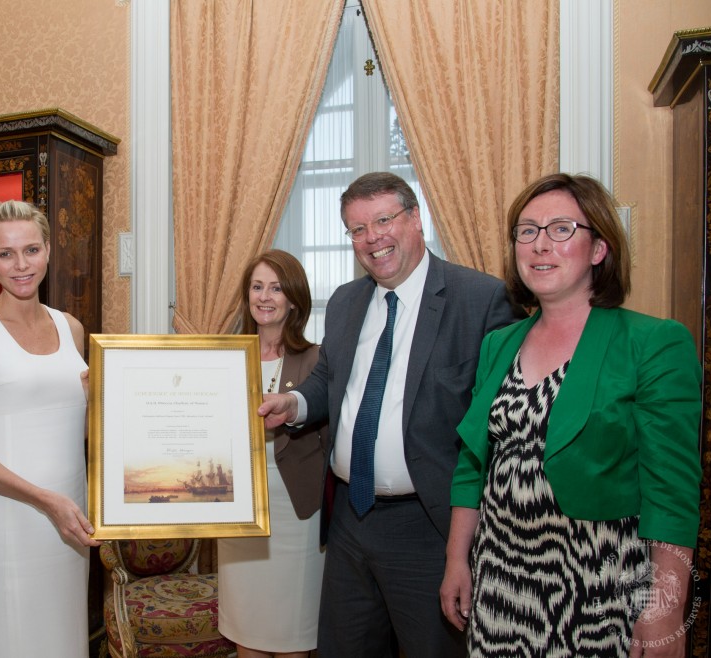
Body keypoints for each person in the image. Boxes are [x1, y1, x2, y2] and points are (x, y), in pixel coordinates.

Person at [258, 172, 521, 657]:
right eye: (357, 229)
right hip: (349, 523)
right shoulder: (344, 301)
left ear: (415, 218)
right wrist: (293, 404)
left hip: (430, 526)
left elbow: (500, 429)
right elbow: (329, 381)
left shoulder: (480, 300)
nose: (372, 238)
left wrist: (466, 547)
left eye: (383, 220)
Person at [441, 173, 701, 657]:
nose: (540, 245)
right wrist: (458, 558)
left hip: (602, 588)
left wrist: (665, 608)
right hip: (502, 585)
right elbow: (474, 464)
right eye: (528, 230)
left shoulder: (652, 343)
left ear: (599, 248)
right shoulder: (500, 343)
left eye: (561, 229)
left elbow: (673, 494)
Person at [0, 199, 99, 657]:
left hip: (71, 518)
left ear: (48, 250)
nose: (21, 264)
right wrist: (46, 501)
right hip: (10, 520)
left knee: (66, 642)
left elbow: (80, 431)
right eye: (5, 254)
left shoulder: (71, 328)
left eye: (31, 249)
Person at [218, 250, 328, 658]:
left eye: (276, 288)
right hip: (238, 515)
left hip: (295, 515)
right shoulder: (223, 355)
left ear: (294, 298)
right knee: (248, 630)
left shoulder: (318, 360)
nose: (265, 296)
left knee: (291, 636)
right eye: (257, 286)